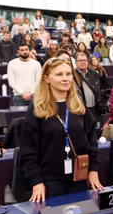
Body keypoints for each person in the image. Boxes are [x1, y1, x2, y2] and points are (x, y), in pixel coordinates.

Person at [19, 57, 103, 201]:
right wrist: (36, 181)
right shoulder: (37, 109)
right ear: (46, 78)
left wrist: (93, 170)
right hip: (49, 181)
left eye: (68, 74)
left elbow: (92, 140)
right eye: (59, 74)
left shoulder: (79, 106)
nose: (65, 78)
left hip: (78, 177)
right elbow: (28, 150)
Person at [72, 51, 106, 121]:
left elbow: (101, 88)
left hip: (95, 109)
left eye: (85, 60)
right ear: (75, 62)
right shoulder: (73, 75)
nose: (83, 62)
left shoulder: (94, 73)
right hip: (82, 110)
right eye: (80, 60)